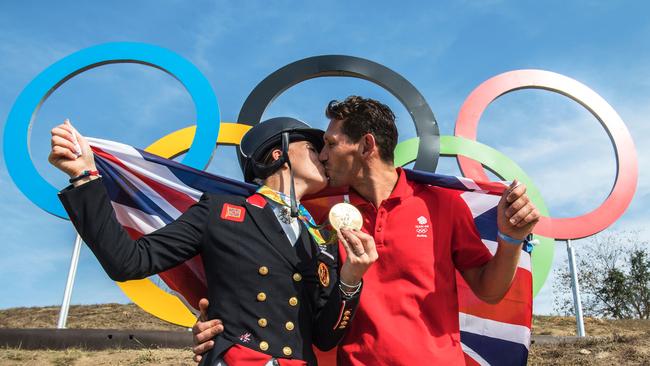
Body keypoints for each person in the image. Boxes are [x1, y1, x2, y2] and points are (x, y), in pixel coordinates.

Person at [192, 96, 540, 365]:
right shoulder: (316, 217)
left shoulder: (442, 205)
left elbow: (490, 291)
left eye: (330, 143)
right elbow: (272, 288)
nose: (321, 155)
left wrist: (509, 239)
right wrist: (225, 330)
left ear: (366, 145)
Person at [48, 117, 378, 366]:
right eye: (311, 147)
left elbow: (326, 334)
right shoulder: (220, 212)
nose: (322, 156)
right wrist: (84, 177)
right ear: (279, 153)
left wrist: (350, 279)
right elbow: (128, 261)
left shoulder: (319, 239)